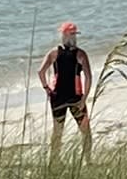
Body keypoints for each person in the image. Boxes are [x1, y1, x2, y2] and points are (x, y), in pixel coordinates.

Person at [38, 21, 93, 161]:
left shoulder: (54, 53)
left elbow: (40, 72)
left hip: (57, 97)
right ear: (73, 37)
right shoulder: (80, 54)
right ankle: (87, 159)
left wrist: (46, 88)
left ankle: (54, 160)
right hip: (75, 97)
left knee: (57, 131)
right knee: (85, 131)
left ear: (62, 36)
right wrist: (84, 98)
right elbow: (88, 77)